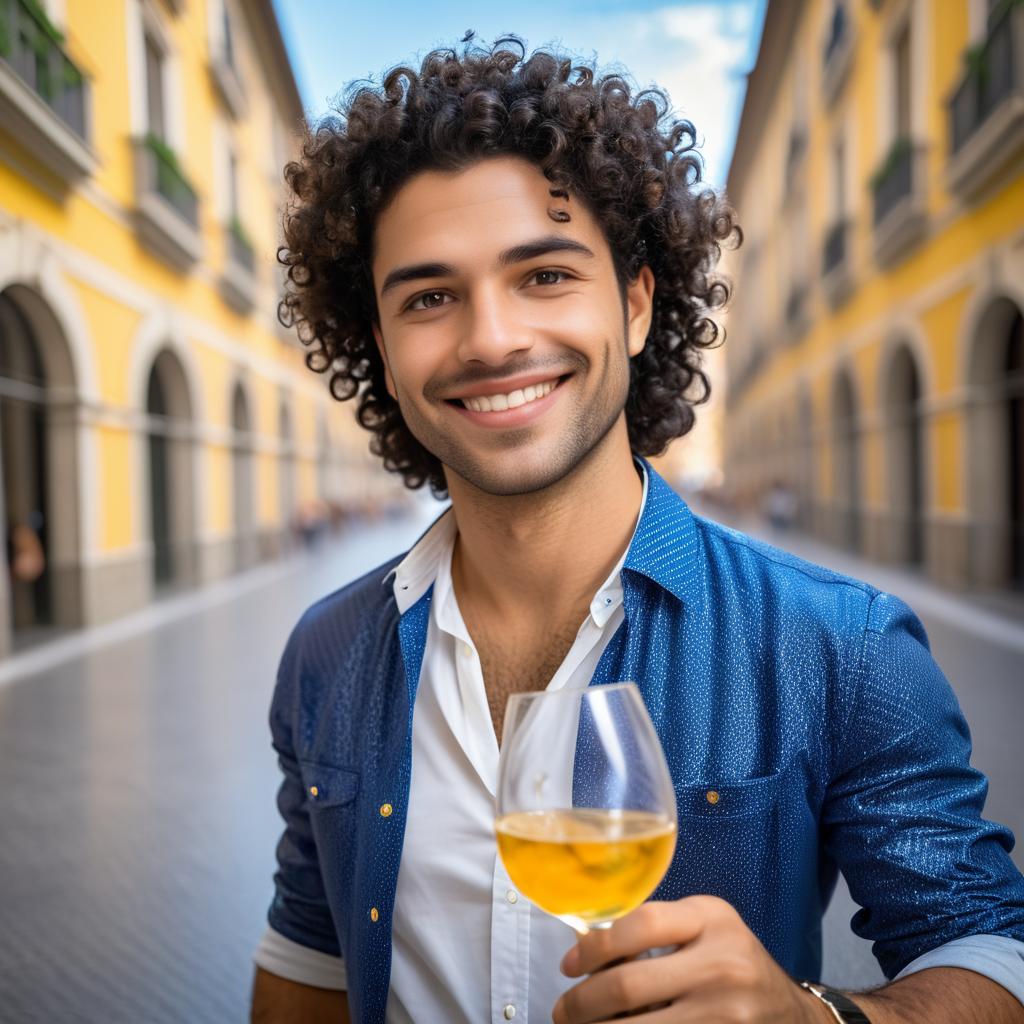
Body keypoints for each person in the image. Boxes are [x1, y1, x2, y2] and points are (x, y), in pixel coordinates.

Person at [250, 37, 1024, 1024]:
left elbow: (989, 950)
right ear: (382, 352)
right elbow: (308, 953)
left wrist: (821, 1017)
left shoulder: (839, 642)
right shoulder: (326, 653)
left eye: (544, 275)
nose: (491, 339)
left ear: (635, 304)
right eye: (431, 296)